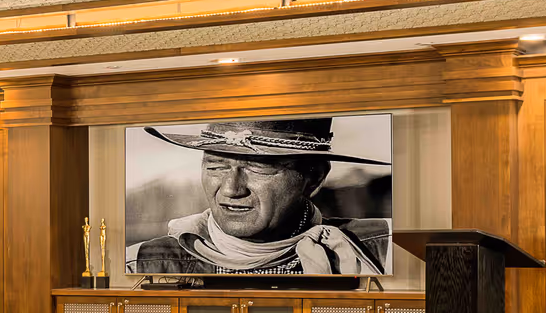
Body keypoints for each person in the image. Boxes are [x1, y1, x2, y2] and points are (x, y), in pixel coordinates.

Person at [125, 118, 389, 276]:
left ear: (315, 178)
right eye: (216, 166)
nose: (231, 189)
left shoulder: (384, 250)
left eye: (258, 167)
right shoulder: (143, 263)